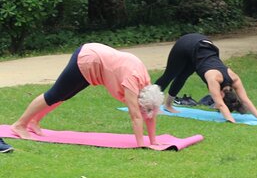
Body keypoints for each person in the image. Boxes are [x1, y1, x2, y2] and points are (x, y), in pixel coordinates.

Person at [11, 43, 163, 147]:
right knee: (55, 94)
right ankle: (20, 124)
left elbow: (150, 113)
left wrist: (153, 141)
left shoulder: (148, 90)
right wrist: (141, 144)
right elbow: (136, 116)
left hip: (95, 63)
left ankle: (34, 121)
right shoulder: (132, 83)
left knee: (64, 96)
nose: (145, 113)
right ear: (140, 100)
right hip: (88, 59)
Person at [155, 33, 257, 123]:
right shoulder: (214, 79)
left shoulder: (235, 79)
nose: (215, 105)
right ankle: (150, 105)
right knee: (169, 75)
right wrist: (230, 120)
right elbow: (220, 104)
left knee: (183, 76)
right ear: (222, 95)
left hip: (201, 47)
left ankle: (168, 105)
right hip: (186, 44)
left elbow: (245, 100)